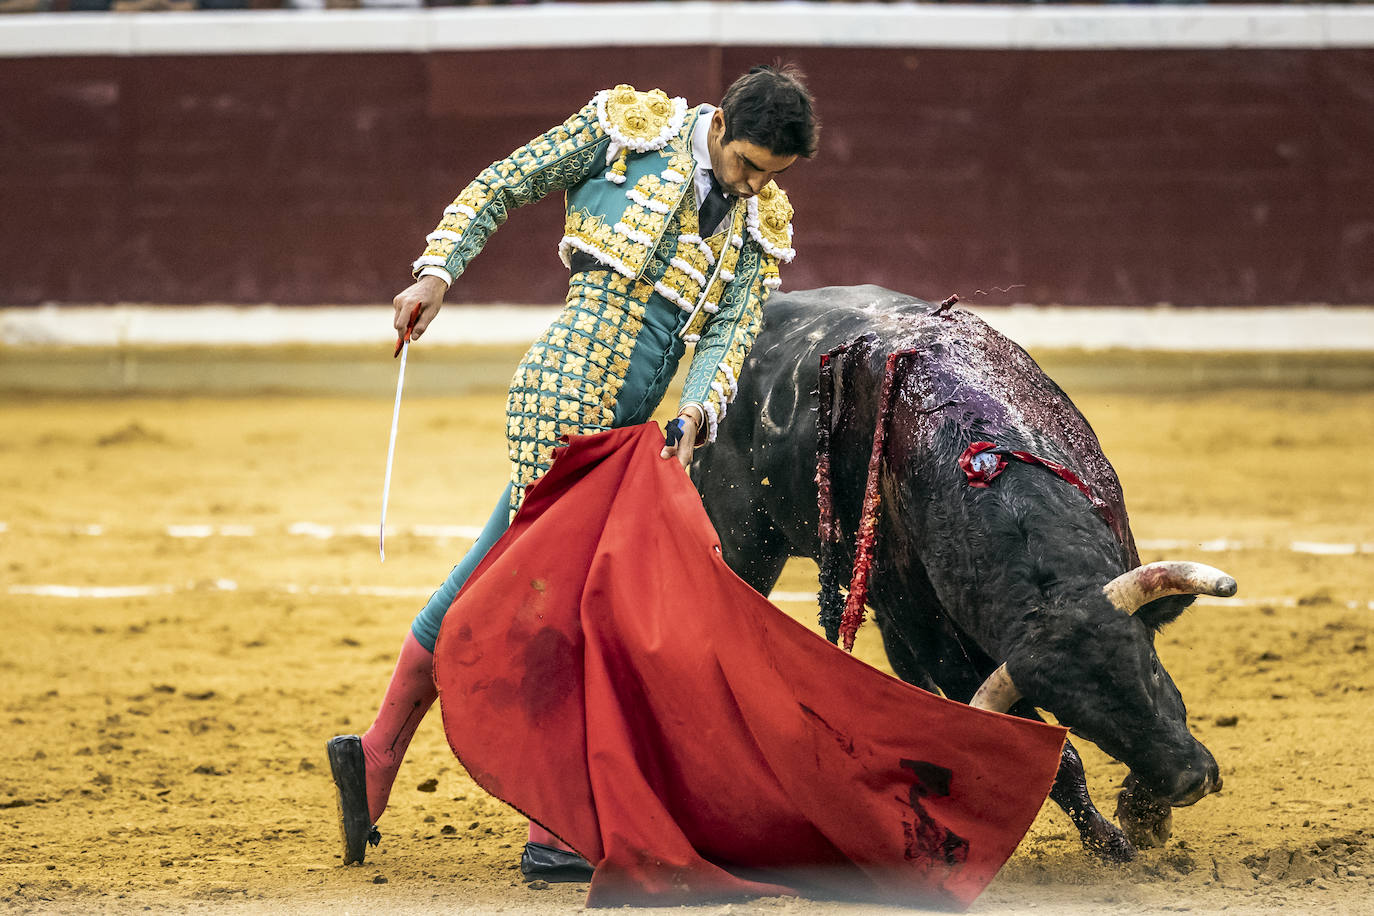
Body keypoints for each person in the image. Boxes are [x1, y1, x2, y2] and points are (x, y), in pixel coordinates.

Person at [327, 64, 819, 876]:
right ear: (723, 126)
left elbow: (728, 334)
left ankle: (378, 753)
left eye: (773, 176)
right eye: (749, 166)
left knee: (499, 573)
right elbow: (504, 182)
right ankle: (547, 826)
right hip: (562, 392)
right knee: (558, 596)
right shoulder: (631, 129)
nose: (755, 185)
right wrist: (436, 271)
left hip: (629, 427)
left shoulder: (759, 218)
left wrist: (696, 412)